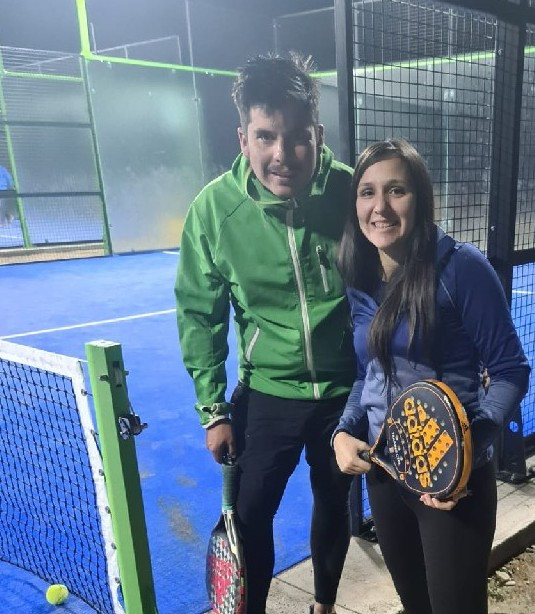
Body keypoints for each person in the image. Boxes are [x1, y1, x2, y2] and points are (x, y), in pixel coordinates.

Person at [174, 54, 356, 614]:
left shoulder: (352, 192)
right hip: (269, 392)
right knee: (251, 515)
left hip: (345, 392)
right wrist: (214, 411)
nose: (283, 154)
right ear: (243, 139)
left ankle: (324, 605)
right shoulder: (214, 211)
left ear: (318, 135)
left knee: (335, 501)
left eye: (298, 137)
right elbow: (200, 314)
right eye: (266, 136)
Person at [332, 138, 530, 614]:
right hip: (385, 473)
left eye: (396, 190)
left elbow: (510, 370)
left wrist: (466, 452)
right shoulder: (360, 277)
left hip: (451, 487)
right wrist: (344, 430)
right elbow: (367, 374)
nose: (380, 207)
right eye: (367, 192)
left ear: (420, 198)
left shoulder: (462, 268)